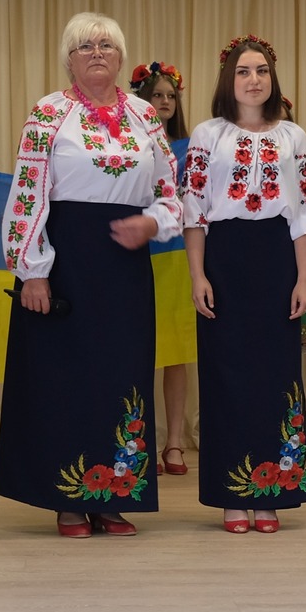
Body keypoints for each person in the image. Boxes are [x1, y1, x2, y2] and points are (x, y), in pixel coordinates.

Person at [0, 13, 183, 539]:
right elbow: (28, 193)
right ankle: (68, 501)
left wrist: (154, 222)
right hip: (65, 262)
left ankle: (113, 496)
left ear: (121, 57)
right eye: (84, 46)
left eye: (105, 45)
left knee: (121, 376)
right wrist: (33, 270)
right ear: (69, 59)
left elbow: (173, 193)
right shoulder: (49, 113)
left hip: (124, 265)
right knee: (64, 378)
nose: (96, 52)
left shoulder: (145, 115)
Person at [182, 34, 306, 533]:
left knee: (276, 375)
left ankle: (272, 492)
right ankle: (231, 496)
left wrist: (304, 278)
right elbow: (194, 209)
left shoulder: (294, 137)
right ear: (229, 79)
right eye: (243, 71)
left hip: (276, 260)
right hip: (224, 258)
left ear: (273, 78)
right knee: (226, 376)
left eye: (261, 70)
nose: (253, 79)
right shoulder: (207, 134)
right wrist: (198, 274)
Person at [133, 59, 195, 476]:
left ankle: (174, 443)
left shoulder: (190, 147)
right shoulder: (129, 146)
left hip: (178, 257)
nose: (165, 102)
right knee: (138, 350)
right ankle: (139, 441)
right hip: (140, 254)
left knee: (176, 354)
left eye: (171, 96)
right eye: (157, 95)